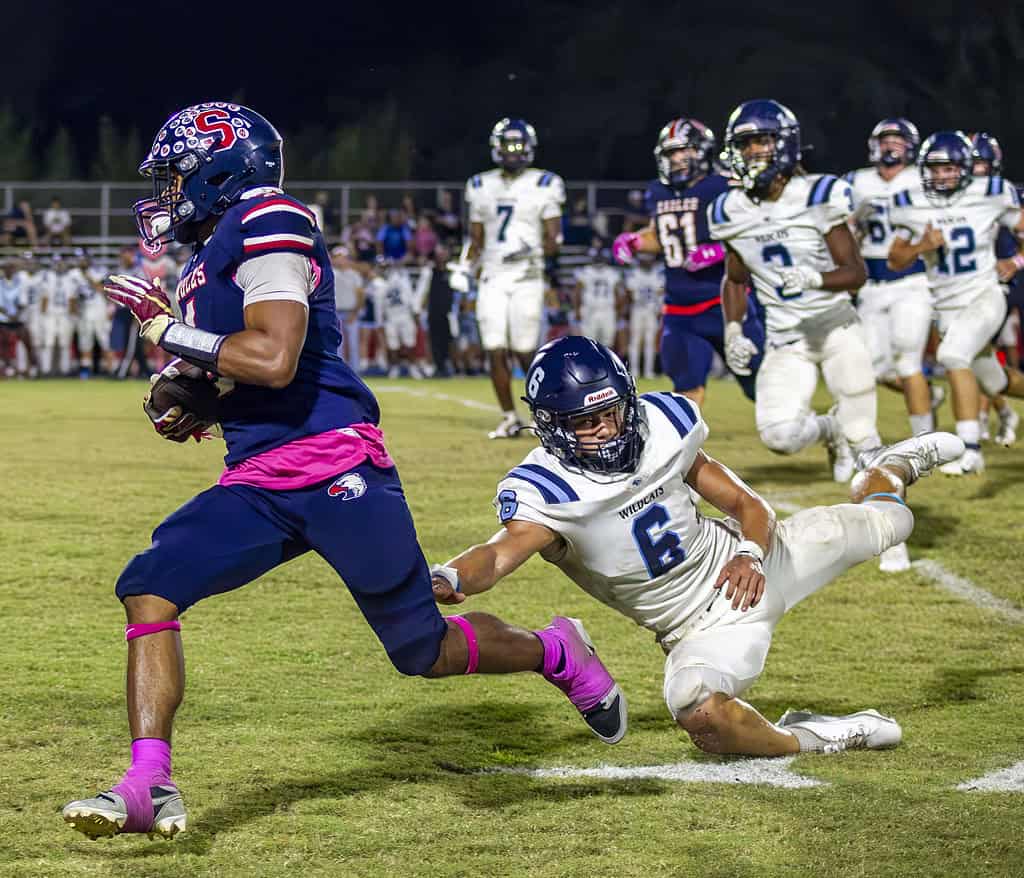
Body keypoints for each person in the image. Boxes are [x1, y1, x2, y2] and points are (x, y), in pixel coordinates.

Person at [62, 104, 625, 841]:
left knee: (422, 651)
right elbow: (250, 372)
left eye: (177, 176)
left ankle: (556, 650)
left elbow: (274, 357)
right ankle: (148, 783)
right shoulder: (211, 255)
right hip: (258, 476)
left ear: (222, 168)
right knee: (149, 587)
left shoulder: (269, 217)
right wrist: (197, 398)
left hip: (333, 461)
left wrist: (169, 332)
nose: (169, 195)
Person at [430, 336, 964, 757]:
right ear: (552, 427)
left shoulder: (664, 425)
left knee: (895, 522)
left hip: (758, 558)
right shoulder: (546, 491)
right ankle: (821, 737)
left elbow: (750, 507)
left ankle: (891, 467)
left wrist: (750, 553)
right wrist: (451, 576)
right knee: (699, 712)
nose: (605, 431)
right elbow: (498, 554)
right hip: (696, 627)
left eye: (611, 413)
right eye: (586, 423)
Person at [708, 99, 880, 483]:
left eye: (761, 141)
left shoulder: (818, 194)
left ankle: (891, 538)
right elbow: (735, 278)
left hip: (836, 328)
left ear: (783, 143)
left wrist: (813, 278)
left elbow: (855, 272)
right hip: (785, 339)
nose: (751, 152)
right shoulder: (728, 210)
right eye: (744, 144)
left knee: (865, 441)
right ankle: (829, 430)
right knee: (779, 436)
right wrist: (733, 329)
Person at [888, 130, 1024, 475]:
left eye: (949, 168)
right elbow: (895, 259)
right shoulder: (910, 202)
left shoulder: (990, 193)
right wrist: (922, 246)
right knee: (996, 383)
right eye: (934, 169)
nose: (941, 175)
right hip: (947, 308)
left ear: (965, 168)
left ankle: (971, 449)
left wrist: (1018, 260)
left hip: (984, 295)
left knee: (952, 355)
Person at [613, 117, 764, 405]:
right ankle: (686, 449)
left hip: (724, 303)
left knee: (759, 385)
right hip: (680, 309)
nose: (677, 159)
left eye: (684, 150)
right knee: (687, 393)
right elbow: (665, 235)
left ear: (702, 151)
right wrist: (636, 241)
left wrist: (719, 250)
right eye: (671, 153)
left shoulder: (722, 186)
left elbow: (753, 233)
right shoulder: (658, 191)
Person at [449, 118, 565, 438]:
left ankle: (545, 414)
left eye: (517, 146)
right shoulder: (480, 185)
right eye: (506, 146)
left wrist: (533, 248)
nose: (512, 152)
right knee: (494, 346)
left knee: (526, 348)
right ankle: (509, 416)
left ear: (529, 148)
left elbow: (555, 240)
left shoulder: (546, 183)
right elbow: (476, 239)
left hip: (528, 274)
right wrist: (463, 267)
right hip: (493, 275)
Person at [844, 120, 938, 443]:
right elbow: (843, 236)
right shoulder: (856, 182)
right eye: (886, 140)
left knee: (907, 360)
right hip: (871, 284)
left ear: (909, 147)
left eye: (898, 141)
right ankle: (929, 398)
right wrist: (855, 223)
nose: (891, 147)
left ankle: (924, 442)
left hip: (911, 280)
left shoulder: (922, 179)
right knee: (875, 367)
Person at [970, 132, 1020, 447]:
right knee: (976, 356)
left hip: (1001, 285)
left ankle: (979, 425)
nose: (974, 170)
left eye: (980, 163)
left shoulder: (1005, 194)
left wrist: (1016, 260)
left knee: (971, 351)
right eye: (969, 163)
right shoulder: (950, 197)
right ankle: (999, 412)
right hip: (967, 288)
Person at [624, 252, 665, 379]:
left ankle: (648, 371)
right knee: (635, 341)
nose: (647, 262)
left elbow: (661, 292)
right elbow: (629, 293)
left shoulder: (657, 274)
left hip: (651, 310)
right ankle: (634, 371)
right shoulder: (634, 273)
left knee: (650, 342)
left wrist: (659, 308)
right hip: (638, 309)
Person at [573, 247, 622, 348]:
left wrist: (618, 310)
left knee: (607, 343)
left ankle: (604, 364)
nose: (599, 260)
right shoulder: (585, 271)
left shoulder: (612, 272)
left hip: (607, 309)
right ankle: (590, 364)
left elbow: (617, 294)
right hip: (590, 309)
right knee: (588, 342)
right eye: (597, 258)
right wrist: (577, 309)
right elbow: (577, 292)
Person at [330, 244, 365, 368]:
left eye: (343, 257)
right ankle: (340, 370)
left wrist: (355, 313)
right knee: (338, 345)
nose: (340, 260)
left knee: (353, 343)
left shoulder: (354, 274)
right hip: (336, 312)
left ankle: (355, 370)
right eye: (337, 257)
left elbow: (360, 295)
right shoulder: (331, 273)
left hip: (351, 312)